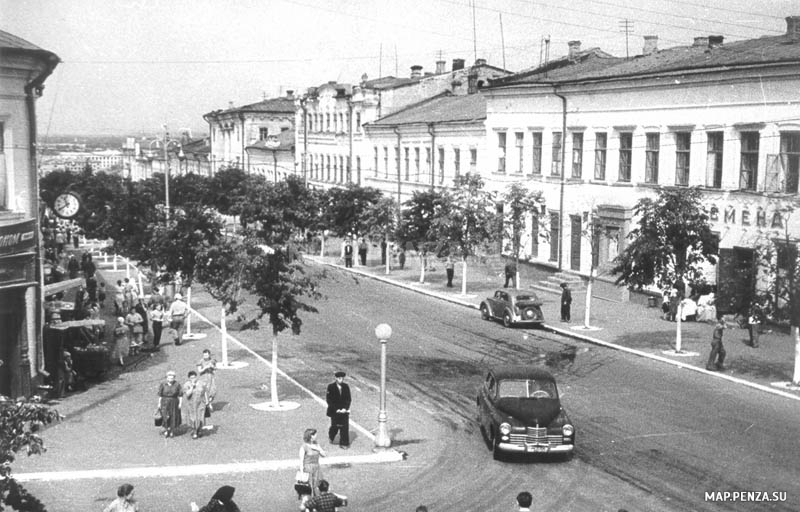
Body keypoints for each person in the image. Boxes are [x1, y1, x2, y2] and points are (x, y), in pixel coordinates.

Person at [326, 370, 351, 449]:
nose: (341, 380)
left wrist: (345, 408)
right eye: (339, 378)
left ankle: (344, 443)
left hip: (344, 411)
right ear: (336, 378)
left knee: (345, 427)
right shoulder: (331, 387)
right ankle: (331, 435)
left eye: (342, 378)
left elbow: (348, 399)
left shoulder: (346, 387)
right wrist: (336, 409)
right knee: (335, 426)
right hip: (334, 411)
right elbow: (329, 400)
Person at [299, 428, 327, 498]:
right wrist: (302, 472)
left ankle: (316, 499)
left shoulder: (316, 444)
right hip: (308, 467)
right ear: (311, 436)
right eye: (315, 435)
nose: (316, 436)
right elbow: (301, 460)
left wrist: (318, 449)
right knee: (309, 486)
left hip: (316, 467)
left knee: (316, 485)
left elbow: (324, 455)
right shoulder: (304, 447)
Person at [183, 370, 209, 439]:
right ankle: (194, 431)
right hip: (192, 404)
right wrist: (192, 387)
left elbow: (205, 392)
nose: (193, 379)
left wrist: (207, 401)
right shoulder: (187, 384)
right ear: (189, 378)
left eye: (194, 377)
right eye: (191, 378)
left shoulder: (201, 383)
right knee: (193, 417)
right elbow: (187, 394)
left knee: (201, 416)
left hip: (201, 402)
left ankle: (199, 430)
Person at [157, 370, 183, 437]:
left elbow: (180, 395)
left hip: (174, 402)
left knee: (173, 416)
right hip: (164, 402)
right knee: (165, 416)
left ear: (174, 378)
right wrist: (159, 403)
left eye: (172, 378)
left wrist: (180, 403)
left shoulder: (177, 384)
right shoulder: (163, 384)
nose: (170, 379)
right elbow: (160, 394)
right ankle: (166, 430)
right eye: (169, 378)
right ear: (167, 378)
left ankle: (172, 431)